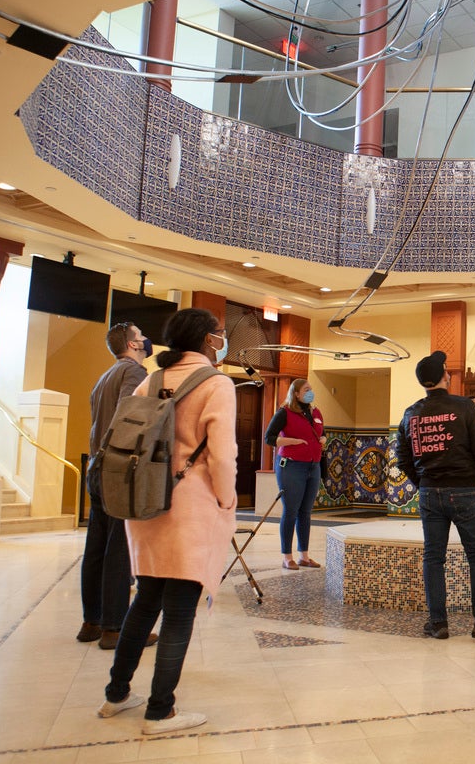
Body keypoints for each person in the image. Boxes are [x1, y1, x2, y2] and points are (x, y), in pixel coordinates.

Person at [98, 308, 238, 735]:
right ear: (209, 340)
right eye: (220, 333)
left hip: (146, 503)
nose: (222, 338)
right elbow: (221, 453)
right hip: (189, 507)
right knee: (180, 611)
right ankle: (160, 711)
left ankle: (116, 695)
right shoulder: (217, 383)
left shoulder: (151, 379)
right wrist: (226, 499)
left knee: (145, 601)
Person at [395, 351, 475, 642]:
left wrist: (423, 482)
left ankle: (438, 623)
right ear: (445, 376)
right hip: (465, 490)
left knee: (434, 557)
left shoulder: (411, 414)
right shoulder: (464, 407)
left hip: (430, 492)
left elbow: (403, 458)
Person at [78, 321, 158, 651]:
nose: (146, 341)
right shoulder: (134, 374)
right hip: (116, 468)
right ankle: (115, 626)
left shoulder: (104, 376)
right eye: (141, 337)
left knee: (96, 546)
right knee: (118, 547)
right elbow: (130, 416)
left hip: (96, 465)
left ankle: (91, 621)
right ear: (132, 345)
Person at [264, 378, 325, 569]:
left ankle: (304, 556)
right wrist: (292, 441)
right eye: (306, 390)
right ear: (296, 393)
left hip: (313, 466)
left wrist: (323, 438)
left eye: (311, 389)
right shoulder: (285, 412)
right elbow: (269, 438)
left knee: (305, 512)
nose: (310, 392)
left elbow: (322, 431)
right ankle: (287, 557)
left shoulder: (315, 412)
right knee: (290, 511)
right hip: (291, 466)